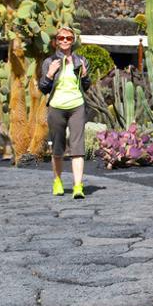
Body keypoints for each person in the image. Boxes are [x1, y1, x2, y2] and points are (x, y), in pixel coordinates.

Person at [38, 26, 91, 199]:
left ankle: (77, 186)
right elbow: (43, 88)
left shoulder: (81, 60)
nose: (65, 41)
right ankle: (58, 181)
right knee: (58, 149)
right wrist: (50, 74)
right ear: (56, 41)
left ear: (73, 40)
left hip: (77, 106)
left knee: (78, 148)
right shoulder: (49, 62)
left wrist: (84, 76)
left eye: (68, 38)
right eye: (61, 38)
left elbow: (86, 86)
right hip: (56, 107)